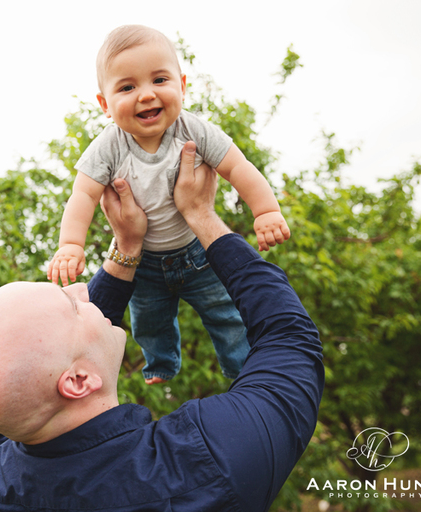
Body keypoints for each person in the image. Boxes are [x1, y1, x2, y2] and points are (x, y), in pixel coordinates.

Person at [0, 142, 324, 512]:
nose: (84, 289)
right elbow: (291, 342)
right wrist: (201, 214)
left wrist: (127, 246)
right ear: (78, 381)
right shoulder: (204, 463)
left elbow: (36, 375)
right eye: (71, 305)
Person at [47, 25, 291, 384]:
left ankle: (241, 368)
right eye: (127, 87)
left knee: (225, 313)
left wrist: (266, 211)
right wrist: (70, 245)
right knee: (149, 320)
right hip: (143, 262)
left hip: (197, 252)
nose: (146, 95)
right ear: (105, 104)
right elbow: (82, 196)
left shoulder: (195, 131)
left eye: (159, 80)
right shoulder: (107, 147)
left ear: (182, 84)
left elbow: (237, 167)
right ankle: (161, 364)